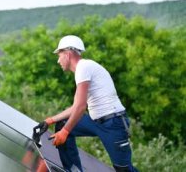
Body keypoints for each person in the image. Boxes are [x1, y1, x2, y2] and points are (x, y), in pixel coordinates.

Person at [33, 35, 138, 172]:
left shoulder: (83, 67)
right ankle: (73, 170)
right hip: (97, 122)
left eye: (59, 55)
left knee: (124, 170)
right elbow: (76, 107)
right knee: (63, 123)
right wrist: (49, 120)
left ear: (68, 54)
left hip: (114, 123)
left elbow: (81, 107)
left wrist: (65, 132)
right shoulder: (82, 70)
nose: (58, 60)